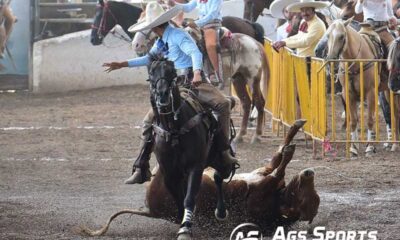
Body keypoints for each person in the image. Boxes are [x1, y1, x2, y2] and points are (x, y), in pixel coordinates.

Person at [103, 2, 238, 184]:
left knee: (223, 103)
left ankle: (223, 150)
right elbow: (149, 58)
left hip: (191, 81)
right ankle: (142, 165)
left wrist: (197, 72)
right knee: (149, 120)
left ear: (154, 26)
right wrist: (123, 64)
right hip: (174, 85)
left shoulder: (177, 36)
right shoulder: (161, 41)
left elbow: (195, 53)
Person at [168, 0, 223, 85]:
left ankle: (217, 73)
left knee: (210, 45)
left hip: (212, 23)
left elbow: (212, 14)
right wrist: (174, 4)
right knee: (185, 38)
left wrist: (196, 23)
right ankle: (189, 69)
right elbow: (188, 7)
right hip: (199, 24)